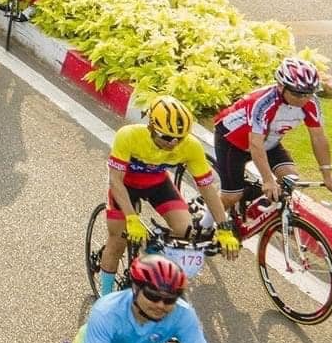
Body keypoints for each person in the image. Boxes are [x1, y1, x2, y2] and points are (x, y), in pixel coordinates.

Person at [96, 96, 238, 296]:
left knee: (185, 229)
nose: (173, 143)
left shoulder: (190, 146)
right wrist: (131, 217)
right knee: (118, 241)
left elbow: (207, 189)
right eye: (166, 137)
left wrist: (224, 228)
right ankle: (105, 298)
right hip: (125, 185)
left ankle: (151, 253)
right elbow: (115, 181)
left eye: (179, 139)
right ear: (152, 127)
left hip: (157, 184)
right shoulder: (128, 136)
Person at [214, 56, 332, 216]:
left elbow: (318, 137)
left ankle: (263, 216)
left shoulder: (311, 102)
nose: (304, 99)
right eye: (297, 93)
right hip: (232, 142)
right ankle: (204, 226)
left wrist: (328, 176)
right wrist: (267, 180)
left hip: (268, 142)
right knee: (232, 195)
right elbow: (255, 143)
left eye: (309, 93)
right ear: (280, 86)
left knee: (290, 179)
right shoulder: (263, 102)